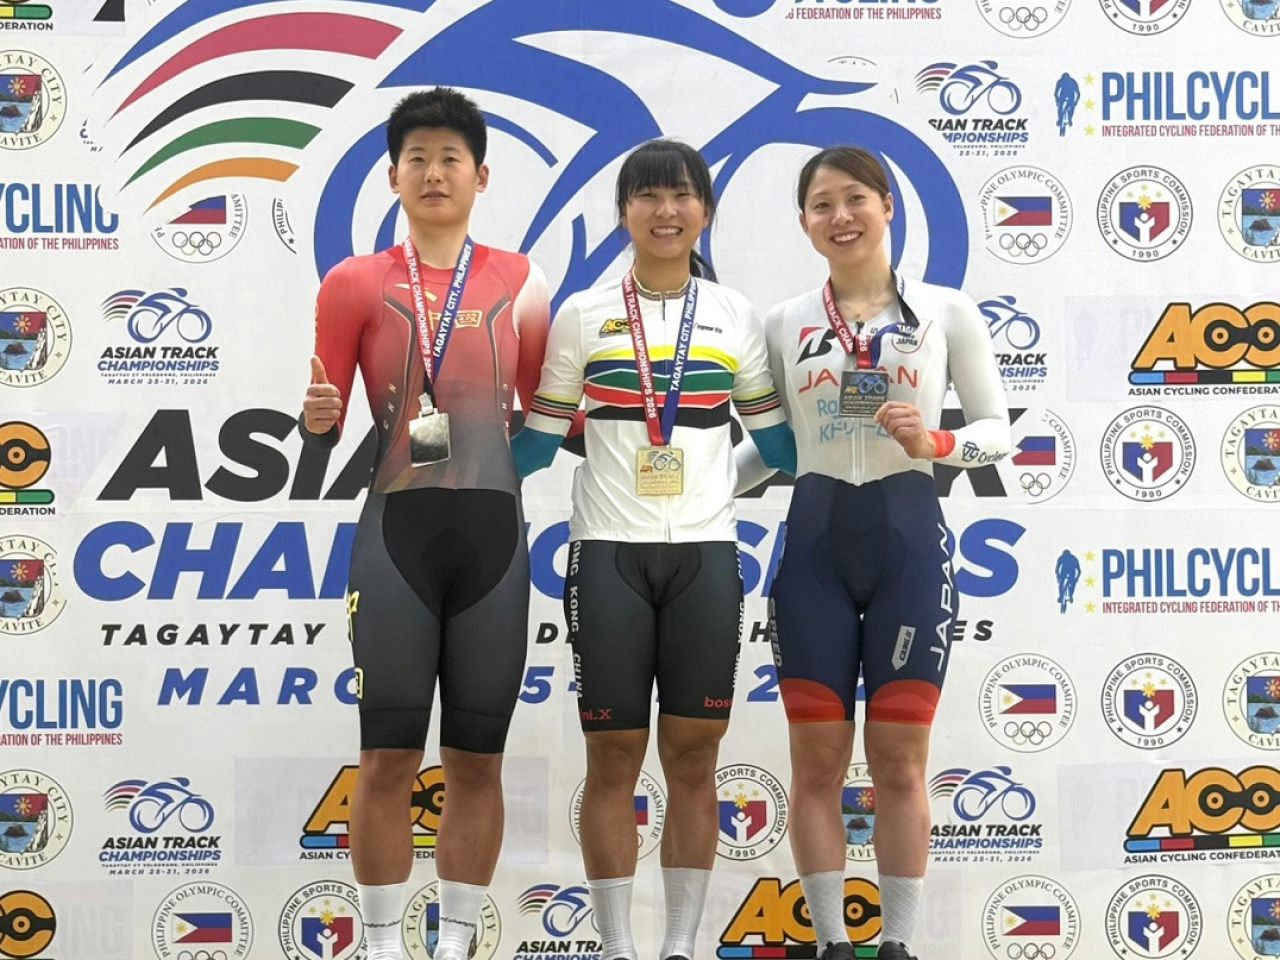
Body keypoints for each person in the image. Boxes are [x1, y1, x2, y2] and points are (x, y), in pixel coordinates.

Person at [511, 138, 795, 960]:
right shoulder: (582, 315)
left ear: (703, 210)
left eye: (681, 197)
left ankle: (677, 946)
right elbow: (534, 445)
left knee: (696, 759)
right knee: (613, 758)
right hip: (606, 556)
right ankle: (614, 947)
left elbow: (777, 444)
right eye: (647, 197)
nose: (665, 212)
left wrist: (713, 485)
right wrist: (453, 457)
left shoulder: (735, 315)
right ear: (624, 212)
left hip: (705, 557)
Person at [738, 146, 1010, 960]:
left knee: (899, 763)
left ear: (888, 205)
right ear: (804, 223)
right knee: (816, 761)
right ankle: (828, 945)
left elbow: (997, 433)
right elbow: (771, 449)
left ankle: (896, 946)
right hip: (815, 543)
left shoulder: (948, 312)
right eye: (822, 205)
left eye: (855, 198)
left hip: (908, 542)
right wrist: (691, 488)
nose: (841, 217)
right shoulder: (783, 322)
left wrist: (936, 439)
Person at [299, 88, 550, 960]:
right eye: (417, 159)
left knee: (477, 762)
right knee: (386, 760)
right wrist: (320, 412)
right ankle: (373, 947)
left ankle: (454, 947)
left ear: (481, 175)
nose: (434, 172)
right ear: (393, 176)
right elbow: (322, 416)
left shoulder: (520, 278)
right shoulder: (355, 281)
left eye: (451, 158)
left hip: (495, 539)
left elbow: (554, 415)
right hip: (395, 537)